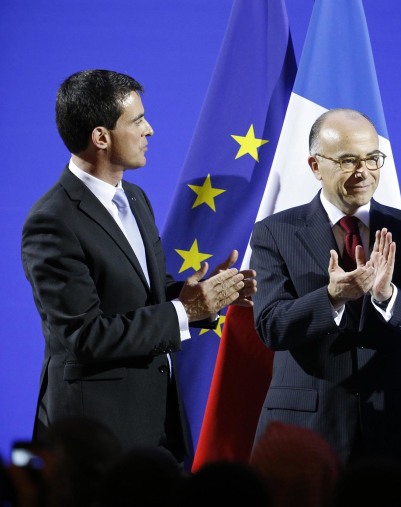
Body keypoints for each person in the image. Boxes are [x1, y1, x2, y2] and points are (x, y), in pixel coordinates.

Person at [21, 69, 256, 465]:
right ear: (101, 137)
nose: (150, 130)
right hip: (95, 436)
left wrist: (204, 295)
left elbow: (146, 292)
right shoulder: (52, 221)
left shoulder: (135, 198)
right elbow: (84, 335)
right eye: (137, 121)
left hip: (156, 421)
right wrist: (186, 310)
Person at [249, 108, 401, 477]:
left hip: (391, 435)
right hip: (305, 437)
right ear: (315, 165)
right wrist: (332, 297)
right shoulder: (275, 232)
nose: (364, 172)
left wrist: (388, 297)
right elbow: (271, 327)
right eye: (348, 160)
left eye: (373, 158)